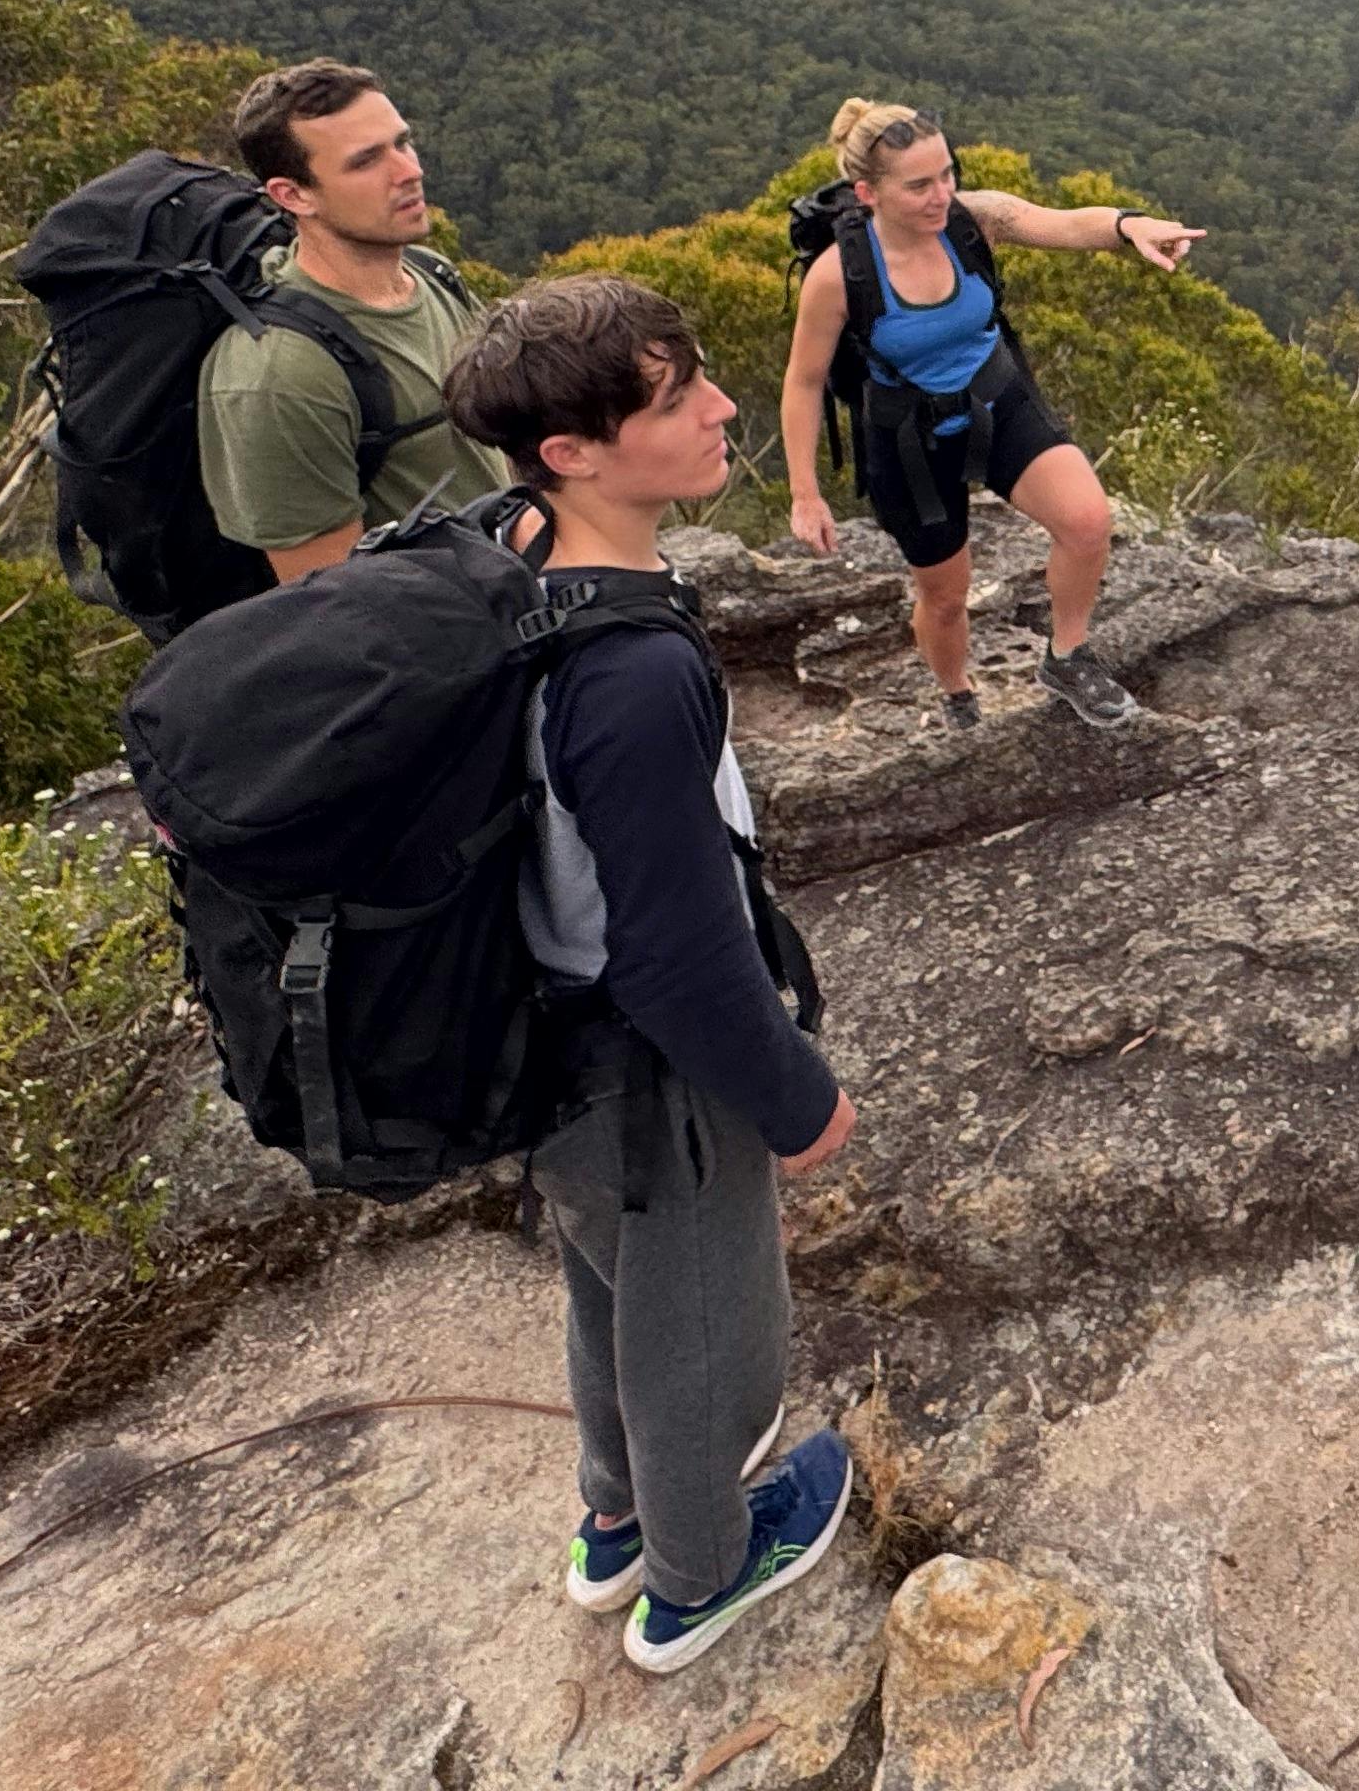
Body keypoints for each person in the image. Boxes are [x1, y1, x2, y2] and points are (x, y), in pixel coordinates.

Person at [441, 271, 858, 1675]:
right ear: (573, 453)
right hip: (639, 1064)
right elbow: (677, 957)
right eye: (677, 400)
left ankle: (615, 1520)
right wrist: (797, 1099)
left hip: (536, 1037)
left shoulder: (509, 553)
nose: (724, 408)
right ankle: (697, 1573)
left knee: (607, 1283)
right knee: (699, 1330)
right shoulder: (628, 676)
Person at [780, 99, 1203, 732]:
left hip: (995, 398)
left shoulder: (971, 221)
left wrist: (1128, 226)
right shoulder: (838, 276)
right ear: (868, 192)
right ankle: (956, 692)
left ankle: (1067, 657)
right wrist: (805, 494)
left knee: (1088, 522)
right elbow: (803, 381)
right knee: (946, 600)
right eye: (919, 184)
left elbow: (1059, 223)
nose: (941, 194)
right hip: (907, 443)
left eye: (947, 174)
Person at [197, 59, 510, 580]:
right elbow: (333, 607)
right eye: (365, 162)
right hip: (441, 649)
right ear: (293, 195)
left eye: (402, 143)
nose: (410, 171)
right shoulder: (281, 374)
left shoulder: (435, 276)